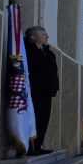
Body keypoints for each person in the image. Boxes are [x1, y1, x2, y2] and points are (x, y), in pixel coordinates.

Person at [23, 26, 59, 155]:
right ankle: (29, 147)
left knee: (44, 119)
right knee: (33, 118)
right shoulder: (27, 51)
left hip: (47, 92)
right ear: (33, 37)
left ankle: (38, 145)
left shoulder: (48, 52)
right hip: (34, 91)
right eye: (43, 34)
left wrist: (54, 87)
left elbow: (53, 72)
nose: (47, 36)